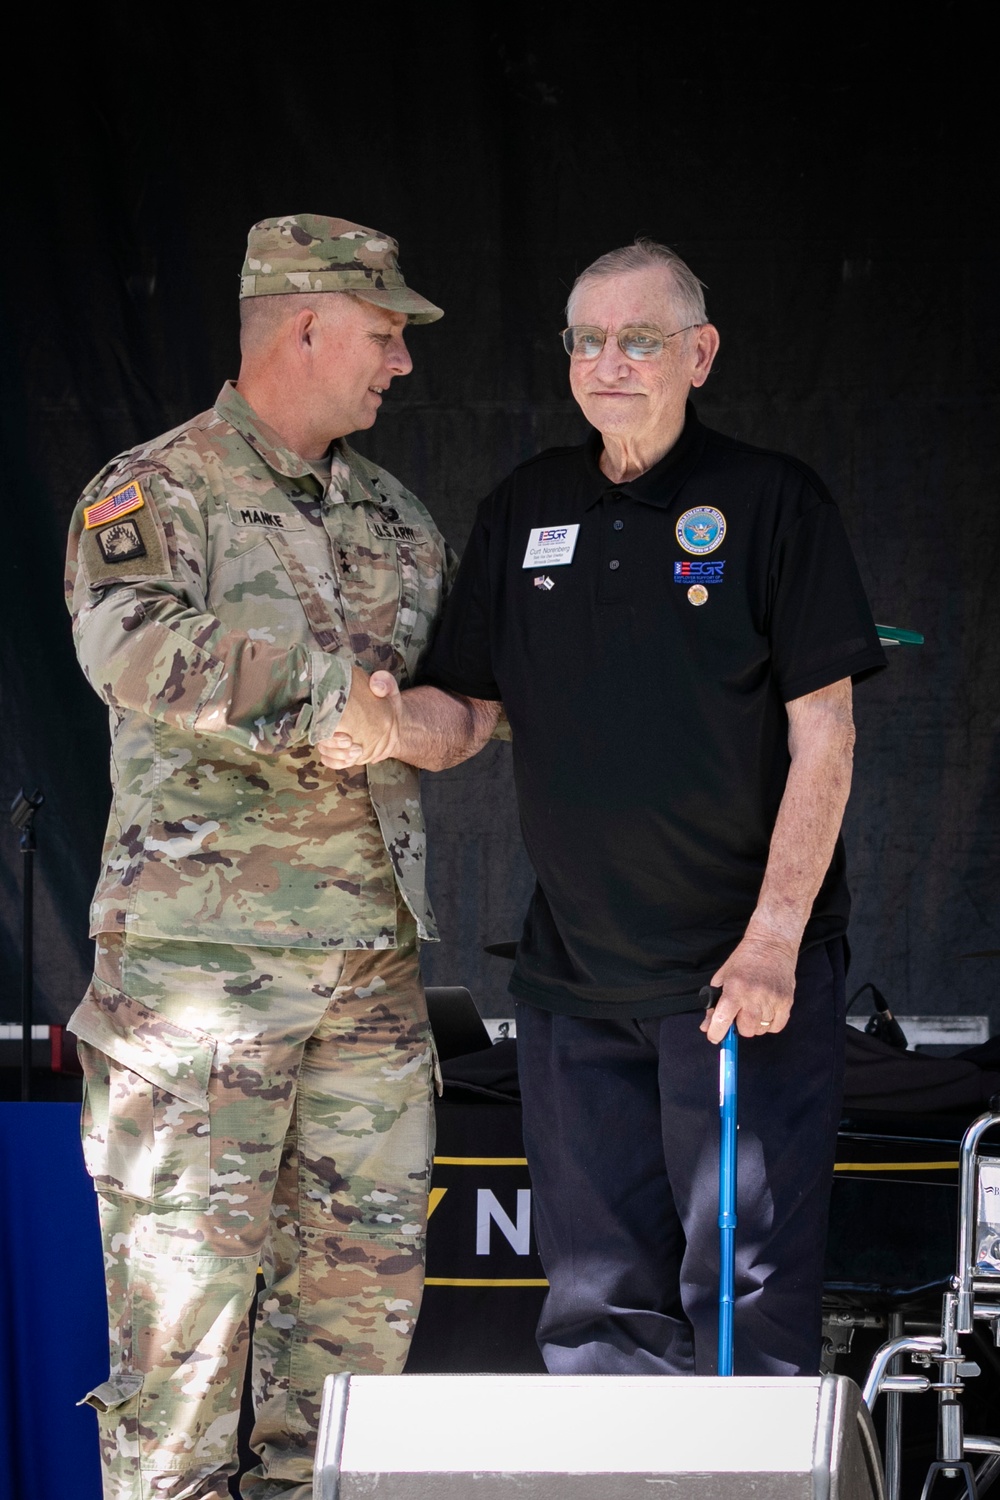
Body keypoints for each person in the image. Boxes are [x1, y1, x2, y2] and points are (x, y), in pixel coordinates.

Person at [323, 238, 888, 1378]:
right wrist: (386, 727)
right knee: (592, 1320)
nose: (610, 363)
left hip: (738, 986)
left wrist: (773, 941)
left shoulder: (772, 501)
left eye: (640, 340)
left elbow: (825, 731)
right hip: (576, 983)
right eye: (588, 340)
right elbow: (465, 712)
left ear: (699, 353)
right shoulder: (529, 503)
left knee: (742, 1313)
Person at [66, 214, 454, 1500]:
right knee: (180, 1358)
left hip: (367, 990)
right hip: (201, 987)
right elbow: (128, 649)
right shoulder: (156, 489)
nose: (400, 362)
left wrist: (463, 717)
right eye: (385, 334)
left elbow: (454, 690)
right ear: (306, 324)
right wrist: (338, 699)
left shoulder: (396, 519)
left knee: (350, 1364)